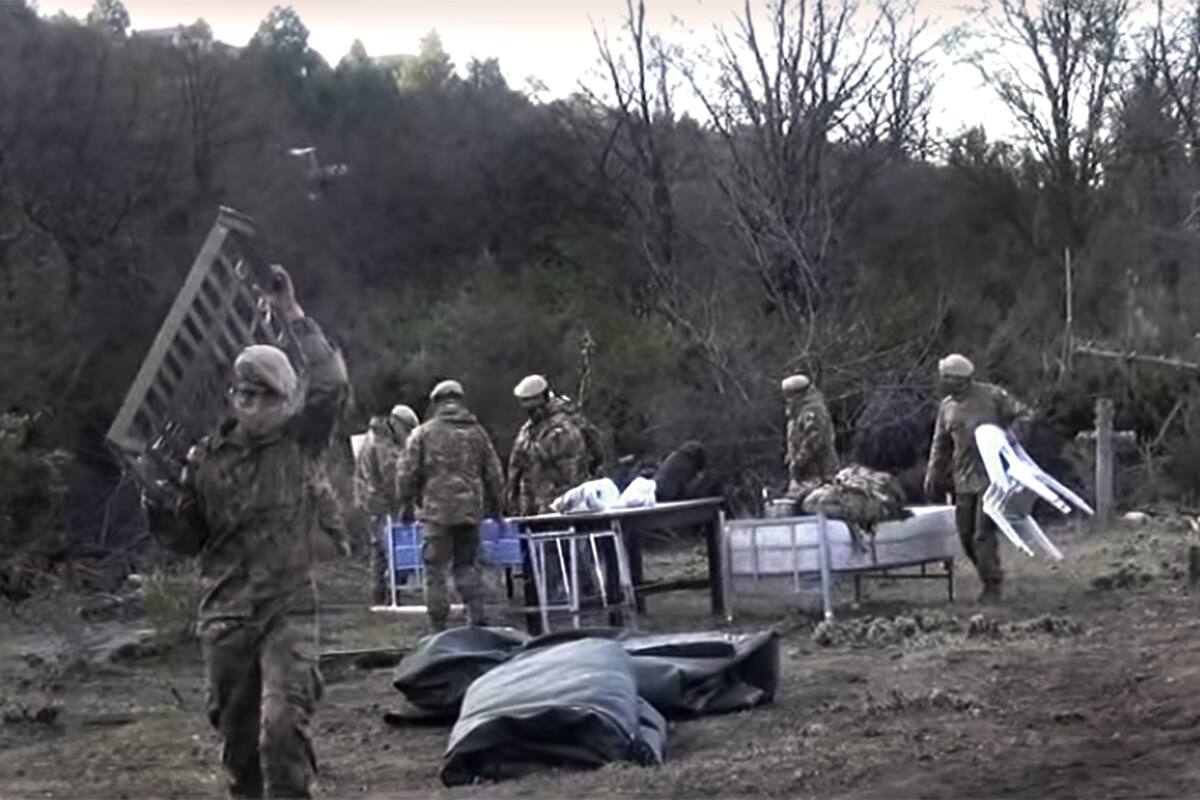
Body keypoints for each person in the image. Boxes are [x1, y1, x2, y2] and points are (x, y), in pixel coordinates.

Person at [141, 265, 350, 799]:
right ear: (233, 399)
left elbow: (331, 383)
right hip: (227, 616)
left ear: (286, 402)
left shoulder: (299, 443)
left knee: (281, 731)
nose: (255, 407)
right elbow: (187, 538)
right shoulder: (204, 461)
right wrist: (159, 507)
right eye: (245, 396)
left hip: (288, 610)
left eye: (268, 398)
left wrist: (291, 314)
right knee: (239, 756)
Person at [395, 380, 504, 632]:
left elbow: (406, 472)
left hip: (436, 514)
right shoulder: (478, 433)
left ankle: (438, 628)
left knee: (435, 571)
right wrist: (497, 508)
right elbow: (494, 474)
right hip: (469, 513)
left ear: (436, 403)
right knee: (466, 565)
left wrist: (406, 505)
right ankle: (476, 619)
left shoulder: (423, 433)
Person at [923, 353, 1033, 603]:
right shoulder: (947, 407)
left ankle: (992, 585)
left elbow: (1024, 415)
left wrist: (1010, 438)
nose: (942, 382)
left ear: (960, 380)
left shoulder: (993, 396)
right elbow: (940, 445)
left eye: (947, 378)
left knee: (982, 534)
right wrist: (933, 475)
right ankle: (988, 575)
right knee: (965, 535)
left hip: (993, 477)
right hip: (963, 479)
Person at [353, 405, 419, 604]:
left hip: (372, 500)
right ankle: (391, 594)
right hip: (381, 502)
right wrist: (407, 502)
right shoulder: (382, 442)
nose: (407, 436)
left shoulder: (377, 436)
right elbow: (391, 477)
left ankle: (380, 594)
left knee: (379, 549)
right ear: (396, 423)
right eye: (406, 430)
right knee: (392, 547)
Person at [506, 374, 591, 516]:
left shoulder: (564, 425)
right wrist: (514, 502)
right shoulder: (529, 430)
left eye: (534, 408)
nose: (532, 413)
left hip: (563, 507)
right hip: (534, 509)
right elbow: (516, 468)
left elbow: (569, 469)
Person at [782, 373, 839, 499]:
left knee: (817, 510)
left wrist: (798, 462)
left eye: (790, 395)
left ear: (798, 394)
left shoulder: (813, 411)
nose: (788, 399)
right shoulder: (796, 413)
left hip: (820, 473)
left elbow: (814, 441)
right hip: (803, 475)